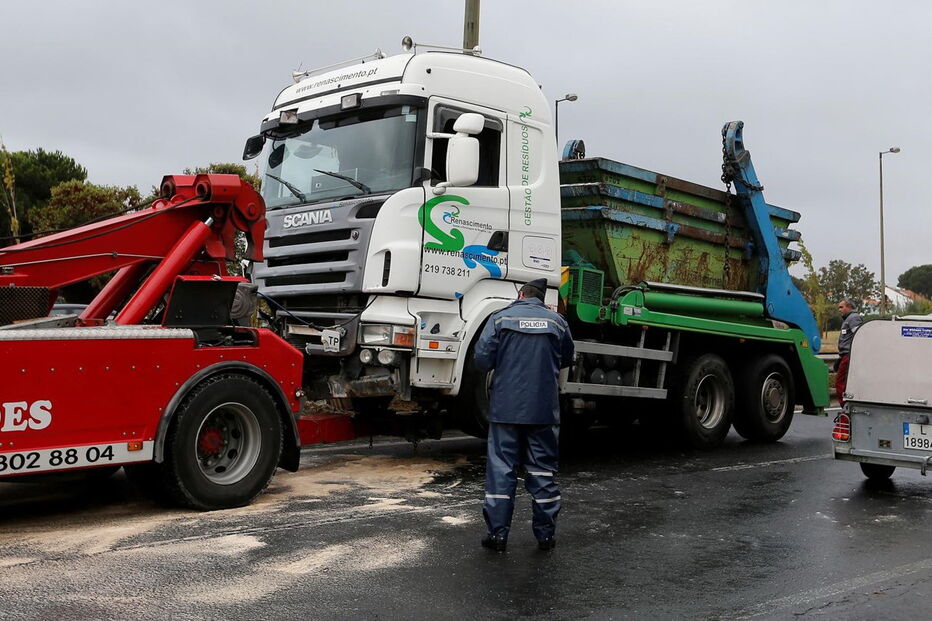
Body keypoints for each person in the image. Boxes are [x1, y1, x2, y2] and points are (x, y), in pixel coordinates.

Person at [474, 278, 575, 552]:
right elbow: (567, 357)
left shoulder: (500, 318)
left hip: (505, 409)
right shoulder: (557, 322)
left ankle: (497, 536)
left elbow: (482, 359)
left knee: (501, 470)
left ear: (520, 294)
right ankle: (545, 536)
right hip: (543, 410)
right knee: (542, 471)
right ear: (542, 299)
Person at [835, 298, 863, 408]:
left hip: (849, 356)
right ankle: (848, 407)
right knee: (845, 383)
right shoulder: (848, 319)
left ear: (849, 307)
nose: (839, 310)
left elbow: (859, 335)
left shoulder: (853, 318)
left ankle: (845, 407)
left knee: (840, 383)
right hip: (845, 356)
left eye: (841, 307)